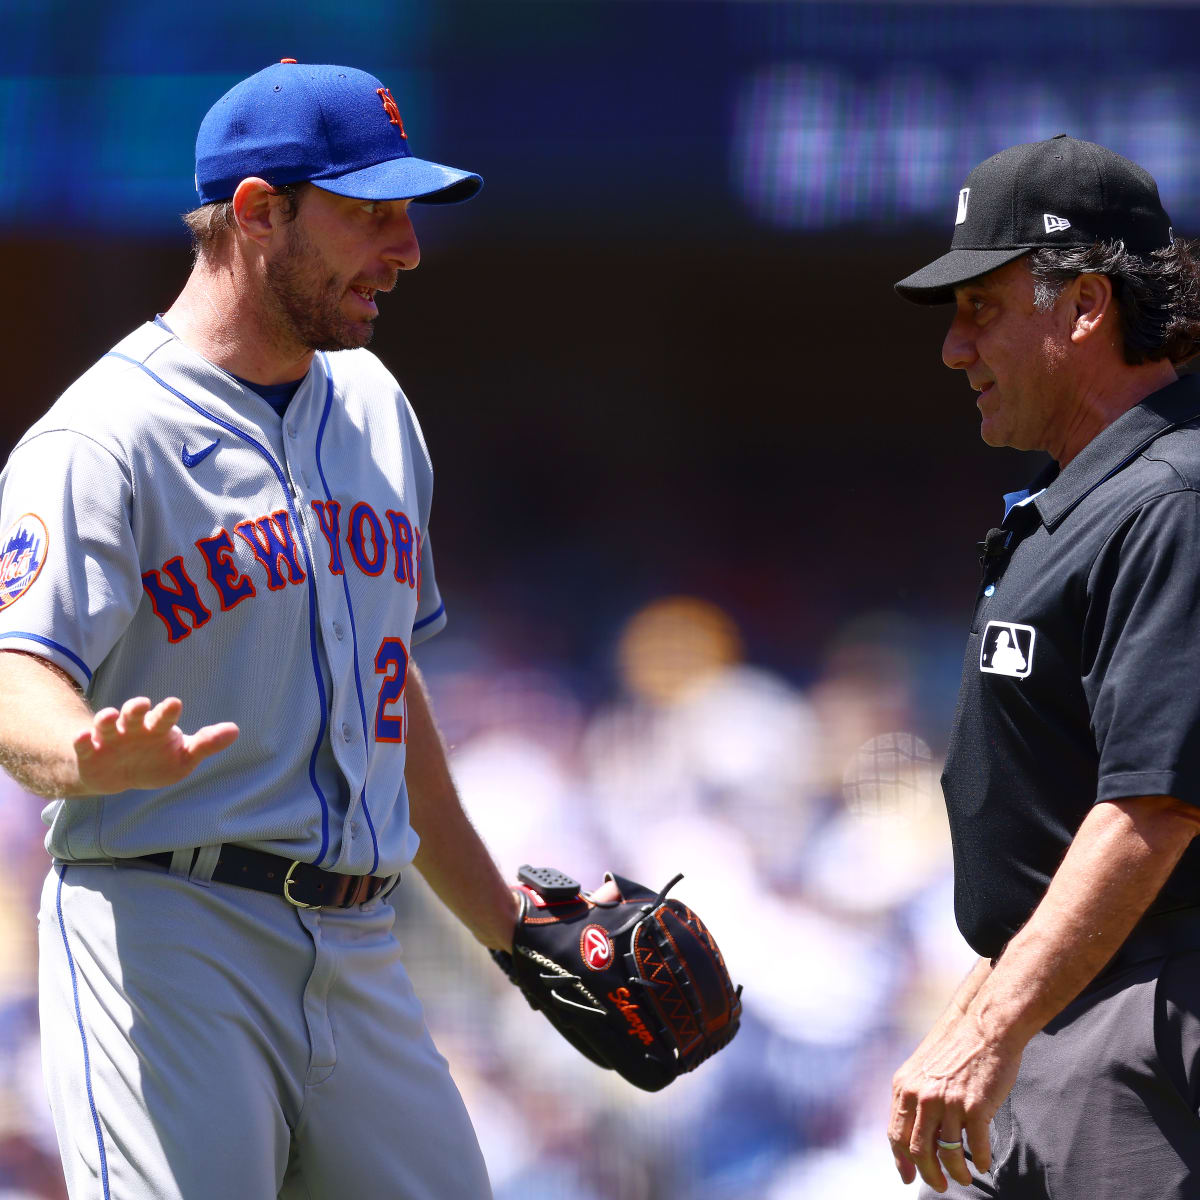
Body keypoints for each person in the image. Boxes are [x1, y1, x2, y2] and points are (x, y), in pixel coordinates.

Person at [0, 61, 518, 1199]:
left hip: (361, 946)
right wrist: (78, 752)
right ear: (256, 213)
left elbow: (389, 687)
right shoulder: (102, 435)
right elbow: (16, 674)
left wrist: (507, 927)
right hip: (166, 929)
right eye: (371, 215)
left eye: (408, 215)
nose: (408, 248)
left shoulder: (376, 403)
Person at [888, 134, 1200, 1198]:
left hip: (1149, 1028)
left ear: (1083, 307)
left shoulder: (1173, 501)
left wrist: (987, 1033)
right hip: (1075, 1015)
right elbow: (1058, 828)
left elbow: (1153, 809)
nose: (954, 350)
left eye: (982, 308)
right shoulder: (1084, 502)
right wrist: (982, 1019)